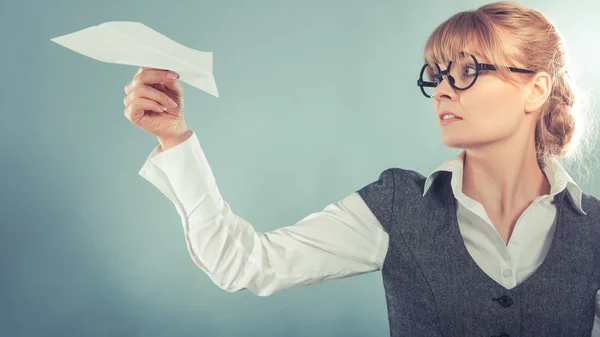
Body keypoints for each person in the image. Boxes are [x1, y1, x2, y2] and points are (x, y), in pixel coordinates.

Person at [123, 1, 600, 336]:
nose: (442, 91)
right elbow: (245, 263)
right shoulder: (397, 206)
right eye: (436, 75)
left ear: (535, 91)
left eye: (468, 71)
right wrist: (174, 138)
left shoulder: (595, 229)